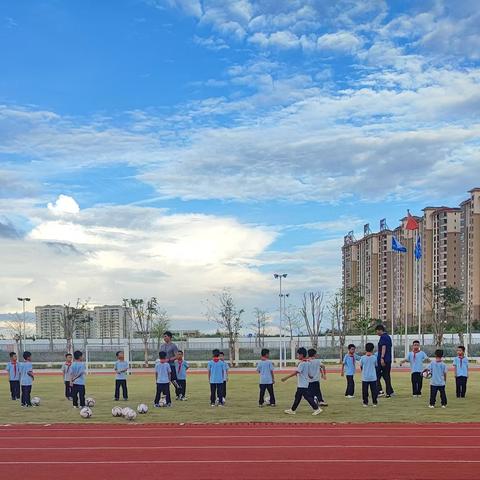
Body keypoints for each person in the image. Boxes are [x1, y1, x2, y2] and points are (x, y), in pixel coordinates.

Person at [282, 347, 322, 416]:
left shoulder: (302, 364)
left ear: (301, 355)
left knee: (307, 397)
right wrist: (310, 376)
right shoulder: (307, 362)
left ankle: (317, 408)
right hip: (303, 383)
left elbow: (296, 372)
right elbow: (308, 373)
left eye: (297, 355)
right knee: (298, 396)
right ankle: (292, 410)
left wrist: (286, 378)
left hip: (302, 384)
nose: (297, 356)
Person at [159, 331, 180, 398]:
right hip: (163, 366)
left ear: (170, 337)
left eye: (165, 336)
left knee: (174, 380)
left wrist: (169, 359)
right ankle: (164, 395)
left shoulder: (173, 346)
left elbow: (177, 356)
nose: (164, 338)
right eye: (164, 337)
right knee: (164, 380)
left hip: (171, 365)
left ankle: (179, 393)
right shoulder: (162, 346)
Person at [375, 325, 394, 398]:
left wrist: (382, 358)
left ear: (380, 330)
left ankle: (380, 391)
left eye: (377, 331)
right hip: (388, 359)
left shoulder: (383, 337)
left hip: (383, 359)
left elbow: (384, 347)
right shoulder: (388, 337)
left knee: (377, 376)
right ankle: (389, 392)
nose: (377, 333)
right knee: (386, 376)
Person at [360, 343, 378, 407]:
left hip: (365, 377)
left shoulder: (362, 358)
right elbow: (376, 366)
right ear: (372, 349)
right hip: (373, 377)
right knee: (374, 391)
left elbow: (361, 366)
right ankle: (374, 402)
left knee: (365, 391)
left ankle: (365, 403)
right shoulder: (374, 358)